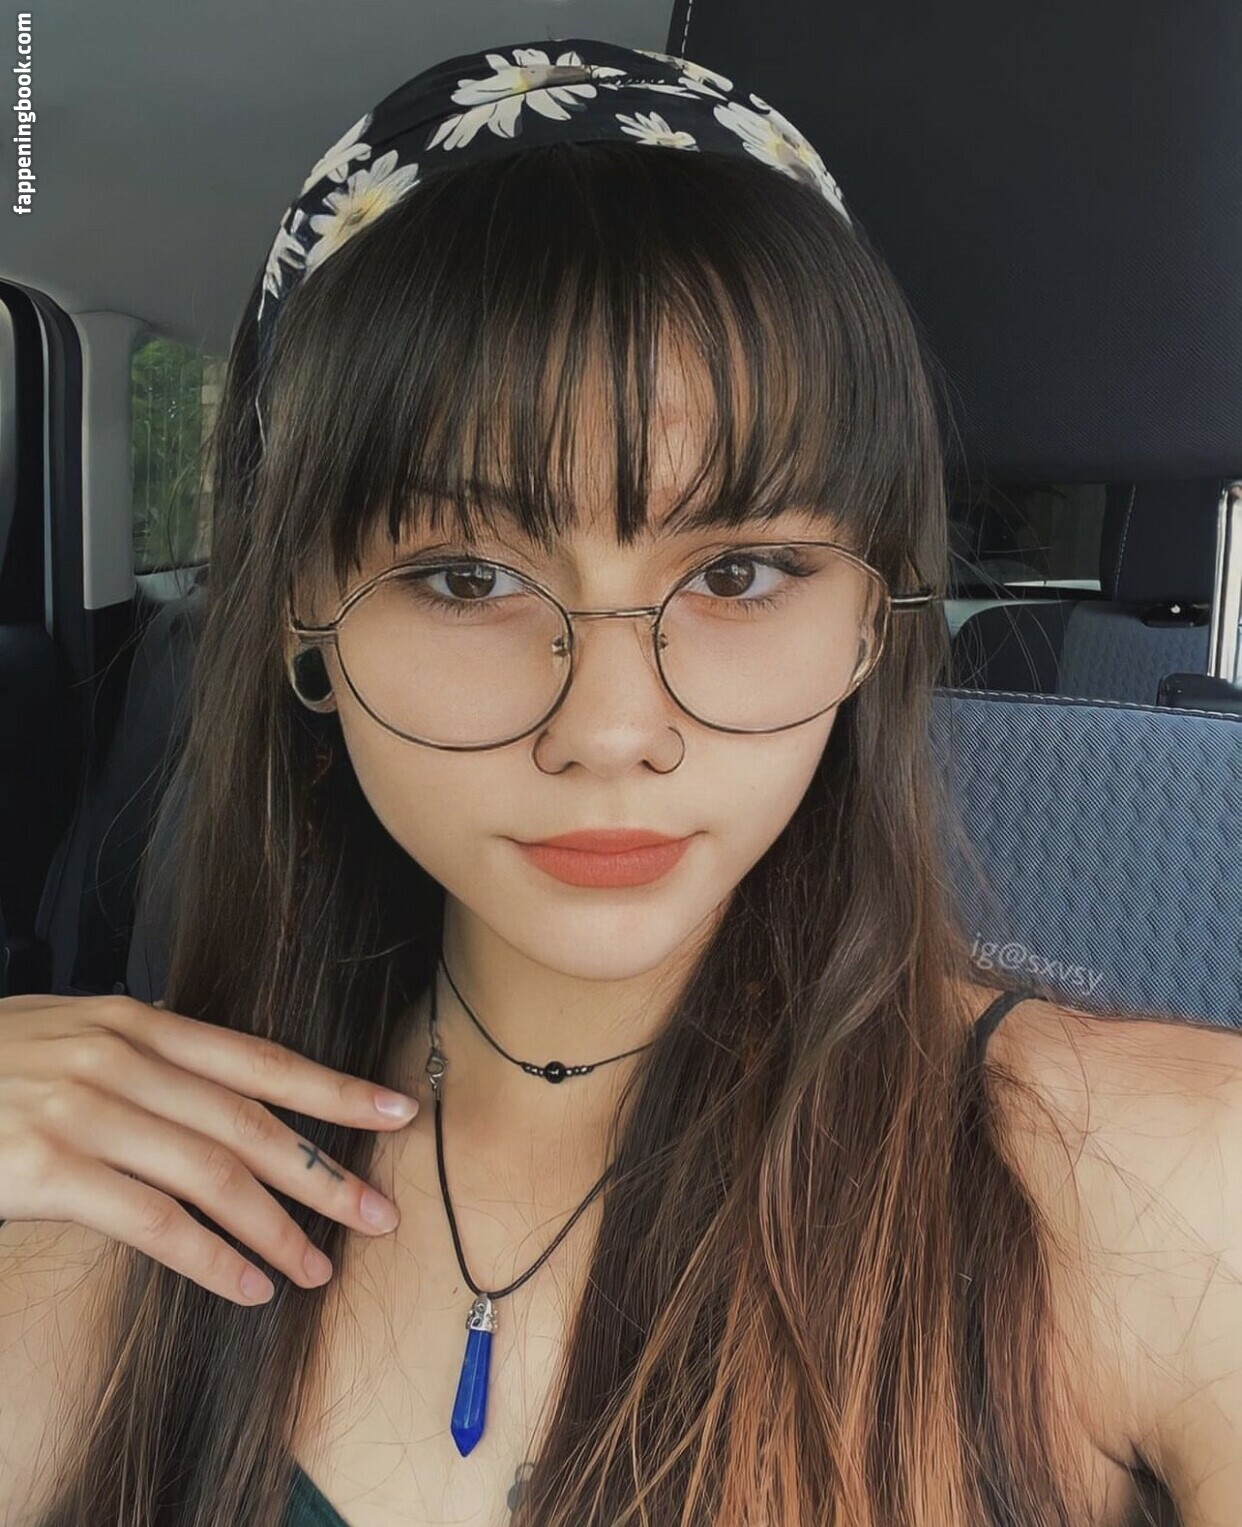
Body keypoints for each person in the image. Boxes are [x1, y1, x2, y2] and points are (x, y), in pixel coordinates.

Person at [0, 35, 1238, 1527]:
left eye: (739, 573)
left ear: (870, 615)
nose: (609, 728)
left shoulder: (1166, 1190)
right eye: (468, 577)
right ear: (303, 620)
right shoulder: (95, 1224)